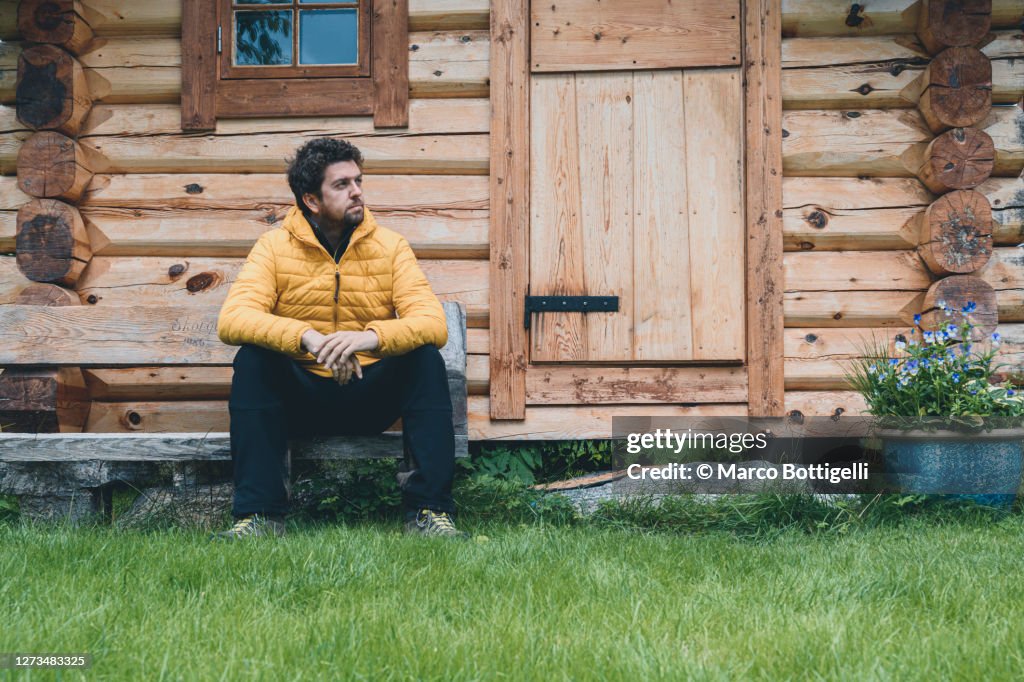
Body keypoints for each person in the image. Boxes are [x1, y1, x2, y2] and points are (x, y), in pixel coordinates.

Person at [212, 138, 466, 540]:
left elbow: (432, 323)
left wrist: (365, 339)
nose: (357, 192)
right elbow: (233, 319)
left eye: (358, 181)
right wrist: (306, 336)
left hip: (370, 397)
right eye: (342, 184)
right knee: (253, 359)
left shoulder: (390, 246)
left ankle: (429, 513)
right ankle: (259, 517)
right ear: (311, 200)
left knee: (425, 359)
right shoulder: (274, 247)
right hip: (302, 400)